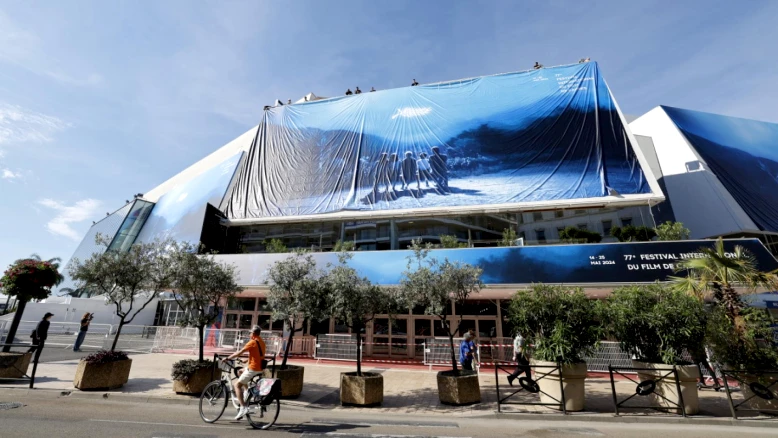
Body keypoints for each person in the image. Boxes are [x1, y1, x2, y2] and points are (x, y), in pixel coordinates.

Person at [223, 326, 267, 420]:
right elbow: (259, 355)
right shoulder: (261, 342)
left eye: (250, 332)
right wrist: (247, 360)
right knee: (240, 371)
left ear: (253, 333)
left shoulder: (252, 342)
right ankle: (247, 391)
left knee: (237, 385)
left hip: (253, 369)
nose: (249, 334)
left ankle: (243, 407)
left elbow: (239, 352)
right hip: (259, 368)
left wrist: (228, 358)